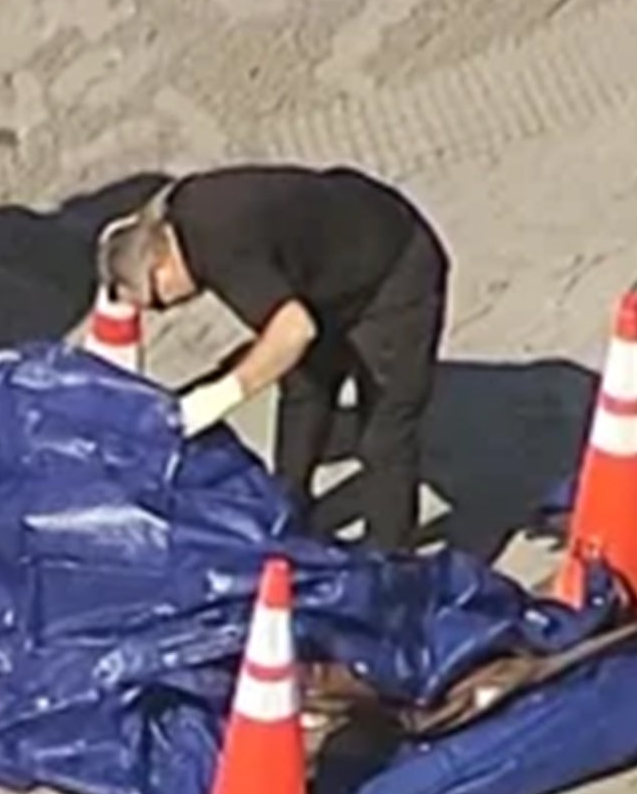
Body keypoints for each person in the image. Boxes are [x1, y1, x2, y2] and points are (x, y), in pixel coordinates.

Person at [97, 163, 450, 553]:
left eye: (158, 302)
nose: (167, 309)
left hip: (393, 269)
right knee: (303, 393)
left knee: (383, 436)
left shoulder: (220, 250)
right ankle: (287, 517)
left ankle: (391, 563)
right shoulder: (180, 215)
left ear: (161, 264)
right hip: (328, 256)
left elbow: (294, 330)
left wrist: (220, 396)